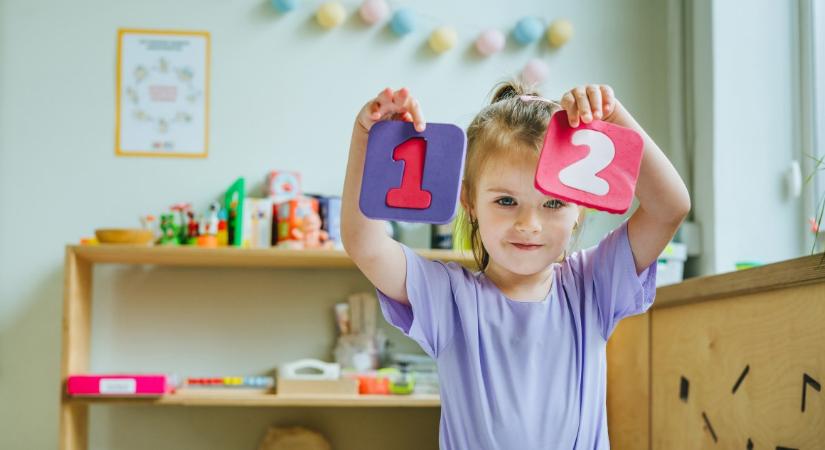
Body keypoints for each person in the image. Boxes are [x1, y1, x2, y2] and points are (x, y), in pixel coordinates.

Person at [341, 81, 691, 449]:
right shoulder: (448, 297)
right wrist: (369, 138)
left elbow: (670, 207)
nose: (529, 224)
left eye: (553, 204)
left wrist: (611, 117)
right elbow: (365, 244)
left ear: (580, 209)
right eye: (506, 201)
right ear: (470, 202)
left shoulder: (593, 285)